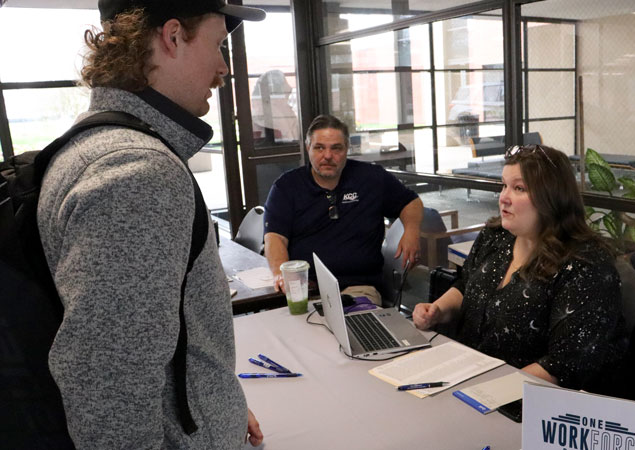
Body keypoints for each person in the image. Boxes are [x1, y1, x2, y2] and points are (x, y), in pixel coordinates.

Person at [37, 1, 265, 447]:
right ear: (173, 36)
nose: (224, 68)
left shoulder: (94, 144)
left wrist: (218, 402)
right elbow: (107, 391)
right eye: (218, 45)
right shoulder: (139, 174)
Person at [413, 144, 628, 392]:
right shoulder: (495, 236)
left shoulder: (585, 265)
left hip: (526, 401)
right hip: (468, 378)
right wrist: (438, 309)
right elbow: (466, 284)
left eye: (519, 188)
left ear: (552, 197)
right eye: (504, 185)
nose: (503, 197)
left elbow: (563, 366)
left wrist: (484, 390)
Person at [264, 114, 423, 304]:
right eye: (319, 148)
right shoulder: (286, 187)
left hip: (358, 288)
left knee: (348, 329)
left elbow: (411, 202)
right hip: (306, 288)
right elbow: (275, 238)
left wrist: (412, 231)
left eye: (336, 148)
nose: (328, 156)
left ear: (347, 149)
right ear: (308, 148)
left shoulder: (371, 179)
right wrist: (282, 275)